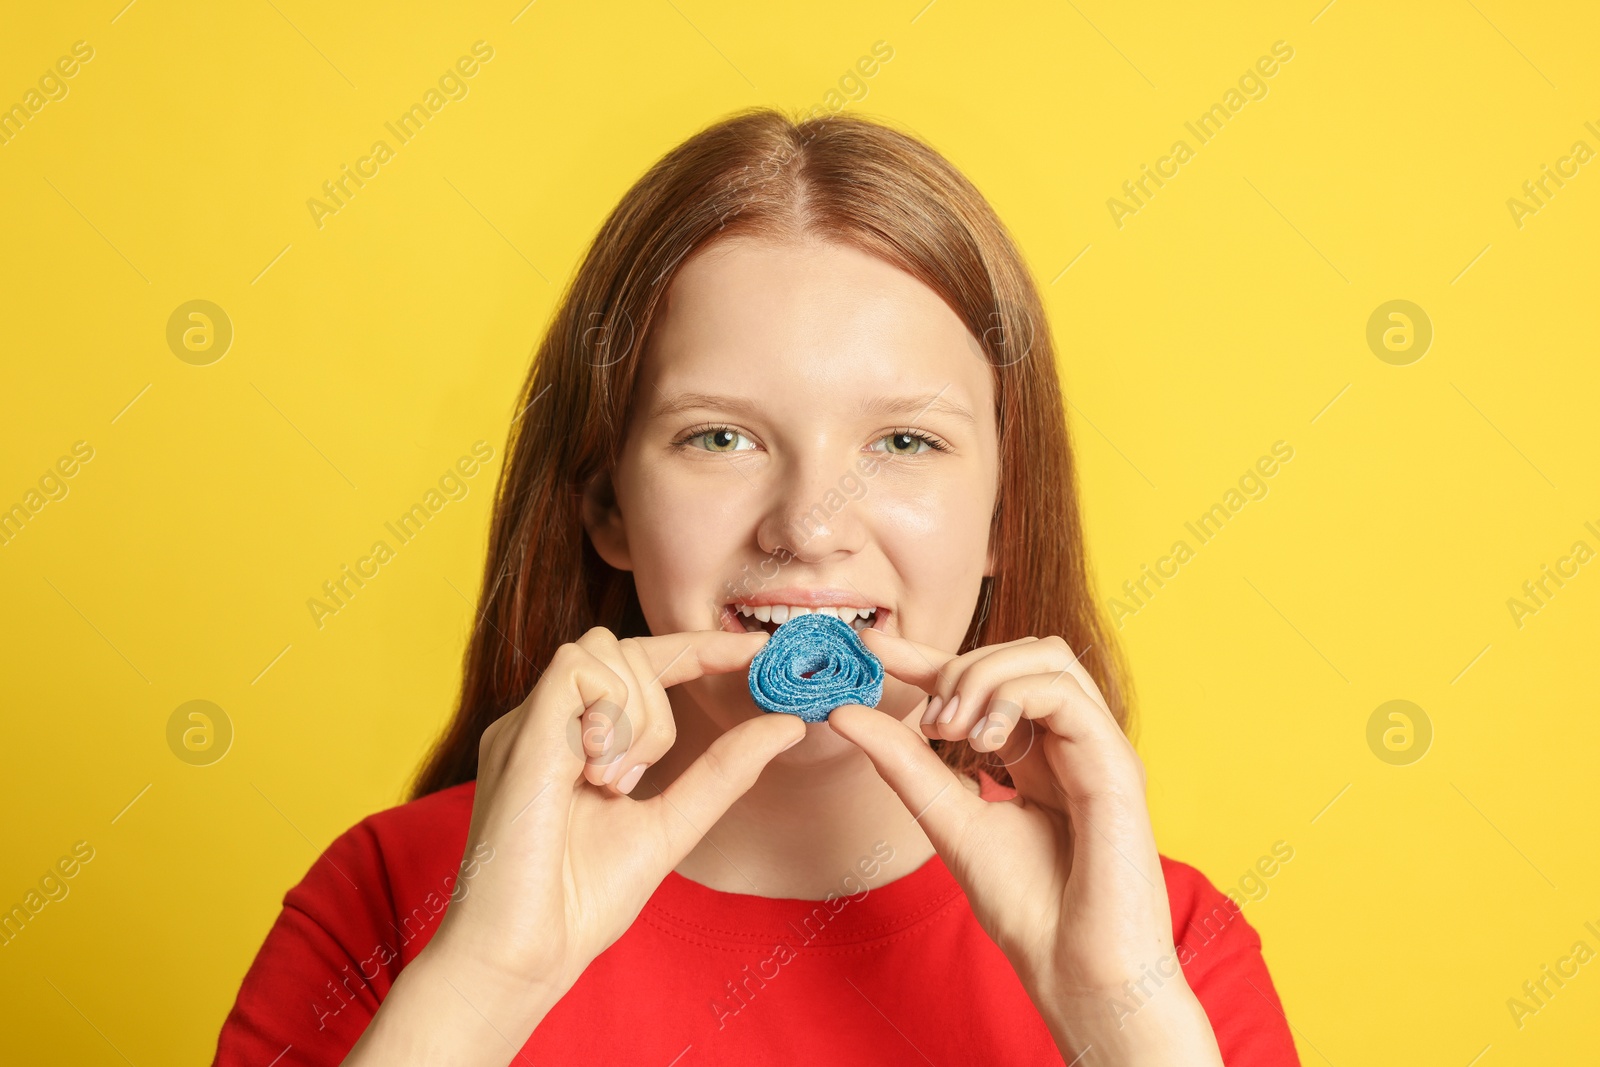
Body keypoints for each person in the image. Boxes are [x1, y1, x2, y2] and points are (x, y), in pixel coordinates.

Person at [210, 107, 1301, 1066]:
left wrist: (1117, 1013)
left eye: (907, 440)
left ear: (1002, 520)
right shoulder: (392, 897)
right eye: (720, 435)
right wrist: (486, 981)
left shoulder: (1165, 945)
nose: (809, 526)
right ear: (606, 508)